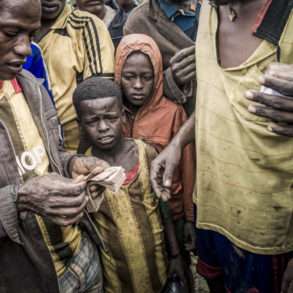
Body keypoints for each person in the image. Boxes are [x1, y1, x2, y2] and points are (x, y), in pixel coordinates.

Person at [151, 0, 293, 292]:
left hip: (269, 232)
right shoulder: (209, 9)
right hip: (212, 208)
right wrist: (178, 142)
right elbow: (218, 93)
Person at [0, 0, 110, 292]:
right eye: (11, 32)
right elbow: (22, 191)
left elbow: (49, 156)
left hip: (81, 254)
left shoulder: (31, 87)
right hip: (26, 278)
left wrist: (73, 164)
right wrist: (20, 199)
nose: (25, 49)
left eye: (31, 35)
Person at [73, 76, 185, 293]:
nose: (103, 127)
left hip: (159, 270)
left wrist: (175, 256)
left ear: (123, 116)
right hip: (115, 280)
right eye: (93, 121)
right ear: (80, 125)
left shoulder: (147, 153)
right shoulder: (83, 170)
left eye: (110, 118)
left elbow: (164, 210)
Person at [115, 34, 195, 290]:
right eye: (129, 77)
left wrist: (190, 218)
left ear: (158, 75)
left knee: (179, 271)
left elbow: (188, 168)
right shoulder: (112, 116)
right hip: (132, 214)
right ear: (118, 74)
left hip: (171, 210)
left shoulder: (173, 113)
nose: (138, 85)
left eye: (146, 77)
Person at [35, 0, 115, 152]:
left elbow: (99, 94)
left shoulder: (86, 25)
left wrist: (82, 152)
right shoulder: (17, 32)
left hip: (77, 146)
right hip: (35, 147)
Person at [124, 0, 201, 115]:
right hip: (179, 117)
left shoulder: (216, 9)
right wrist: (172, 80)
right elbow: (134, 85)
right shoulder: (139, 22)